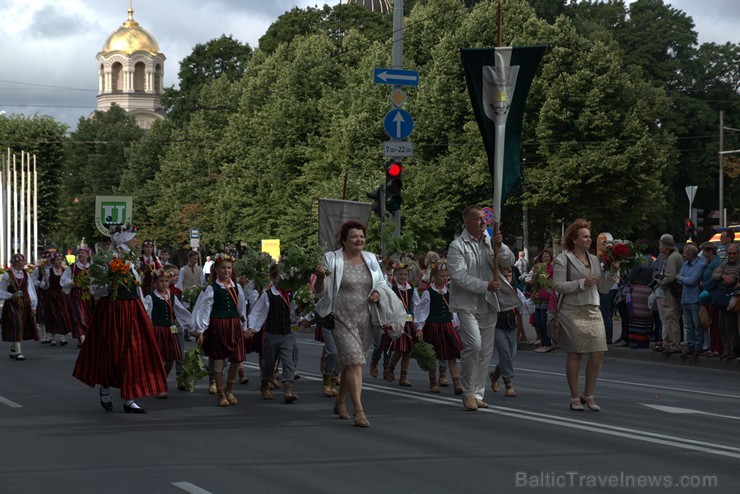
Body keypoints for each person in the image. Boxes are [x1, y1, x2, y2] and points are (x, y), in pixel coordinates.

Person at [73, 226, 167, 413]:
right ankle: (106, 389)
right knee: (112, 352)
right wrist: (109, 287)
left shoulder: (131, 260)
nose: (136, 242)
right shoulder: (105, 260)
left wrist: (145, 309)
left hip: (132, 309)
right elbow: (95, 289)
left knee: (134, 352)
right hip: (113, 309)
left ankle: (129, 398)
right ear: (124, 240)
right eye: (133, 238)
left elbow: (137, 286)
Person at [314, 220, 386, 428]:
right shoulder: (332, 259)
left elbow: (381, 282)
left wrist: (377, 293)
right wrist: (319, 278)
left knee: (350, 363)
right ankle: (359, 410)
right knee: (355, 362)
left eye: (362, 236)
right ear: (344, 240)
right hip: (340, 316)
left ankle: (339, 402)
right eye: (354, 236)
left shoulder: (371, 259)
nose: (359, 239)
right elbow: (320, 290)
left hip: (365, 317)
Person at [447, 205, 516, 411]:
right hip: (466, 304)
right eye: (478, 219)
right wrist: (485, 285)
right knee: (474, 346)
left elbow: (509, 261)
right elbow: (459, 277)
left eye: (483, 219)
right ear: (467, 222)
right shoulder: (457, 245)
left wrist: (500, 246)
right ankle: (467, 392)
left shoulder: (489, 240)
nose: (483, 222)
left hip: (488, 303)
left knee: (486, 351)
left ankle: (478, 393)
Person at [552, 219, 619, 412]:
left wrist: (615, 270)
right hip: (572, 309)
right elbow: (557, 286)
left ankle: (588, 394)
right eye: (585, 236)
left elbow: (603, 287)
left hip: (592, 308)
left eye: (590, 236)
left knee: (598, 352)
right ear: (574, 239)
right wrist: (581, 282)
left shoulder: (595, 260)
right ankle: (574, 396)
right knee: (576, 353)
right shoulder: (563, 259)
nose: (589, 239)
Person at [246, 264, 309, 404]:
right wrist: (252, 328)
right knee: (269, 363)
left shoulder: (289, 294)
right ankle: (264, 384)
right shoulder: (267, 295)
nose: (283, 281)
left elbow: (292, 315)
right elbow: (257, 312)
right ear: (272, 278)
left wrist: (299, 313)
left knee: (288, 361)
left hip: (286, 333)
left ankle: (288, 390)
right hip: (271, 334)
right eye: (280, 278)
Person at [192, 253, 247, 407]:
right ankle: (221, 393)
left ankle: (229, 389)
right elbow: (204, 310)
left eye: (229, 268)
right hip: (218, 326)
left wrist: (244, 327)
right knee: (219, 361)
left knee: (237, 359)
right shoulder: (211, 288)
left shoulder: (237, 287)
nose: (227, 270)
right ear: (216, 269)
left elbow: (242, 309)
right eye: (223, 268)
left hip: (234, 325)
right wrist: (201, 330)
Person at [415, 258, 463, 394]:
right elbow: (422, 311)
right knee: (432, 355)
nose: (445, 278)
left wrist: (457, 324)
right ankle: (432, 383)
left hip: (448, 325)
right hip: (434, 326)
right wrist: (419, 328)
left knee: (451, 354)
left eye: (446, 276)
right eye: (441, 276)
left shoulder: (449, 292)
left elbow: (453, 310)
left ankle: (457, 383)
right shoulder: (428, 293)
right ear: (434, 277)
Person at [144, 268, 193, 398]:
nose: (164, 284)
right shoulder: (150, 298)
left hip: (170, 330)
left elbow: (181, 312)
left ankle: (162, 380)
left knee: (171, 357)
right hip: (157, 330)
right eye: (161, 281)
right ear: (155, 283)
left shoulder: (172, 297)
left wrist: (192, 328)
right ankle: (159, 385)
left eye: (166, 281)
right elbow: (146, 315)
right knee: (158, 358)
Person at [490, 265, 532, 397]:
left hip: (511, 328)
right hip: (498, 327)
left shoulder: (515, 291)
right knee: (504, 353)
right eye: (504, 276)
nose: (507, 278)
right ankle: (508, 384)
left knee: (510, 354)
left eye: (509, 276)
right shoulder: (495, 291)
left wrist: (533, 298)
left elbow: (523, 306)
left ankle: (495, 374)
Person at [382, 258, 421, 386]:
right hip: (396, 321)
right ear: (394, 274)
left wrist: (418, 323)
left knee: (407, 350)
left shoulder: (411, 289)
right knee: (399, 348)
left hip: (408, 322)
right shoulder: (391, 287)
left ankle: (403, 376)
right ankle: (391, 368)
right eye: (400, 274)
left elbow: (416, 305)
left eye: (405, 274)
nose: (403, 276)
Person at [0, 253, 38, 360]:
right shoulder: (7, 275)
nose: (24, 263)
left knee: (21, 325)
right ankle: (18, 351)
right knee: (17, 324)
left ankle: (13, 348)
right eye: (22, 261)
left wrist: (33, 306)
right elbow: (1, 291)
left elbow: (31, 290)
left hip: (25, 303)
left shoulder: (26, 274)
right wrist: (11, 295)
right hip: (12, 303)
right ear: (16, 262)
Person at [655, 234, 684, 355]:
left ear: (666, 246)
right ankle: (668, 343)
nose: (659, 247)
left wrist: (660, 282)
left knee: (671, 317)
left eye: (661, 244)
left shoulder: (672, 258)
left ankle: (673, 344)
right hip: (672, 290)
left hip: (670, 291)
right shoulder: (673, 256)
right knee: (669, 317)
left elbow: (670, 276)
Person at [711, 243, 740, 359]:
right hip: (722, 297)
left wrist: (721, 275)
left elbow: (730, 281)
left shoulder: (738, 265)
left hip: (733, 298)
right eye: (729, 253)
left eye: (734, 253)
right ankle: (726, 350)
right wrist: (724, 276)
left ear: (738, 254)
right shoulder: (725, 262)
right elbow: (714, 275)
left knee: (731, 326)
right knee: (721, 325)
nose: (731, 255)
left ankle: (733, 351)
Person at [39, 252, 74, 346]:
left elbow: (68, 282)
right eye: (58, 260)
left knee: (62, 315)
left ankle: (62, 338)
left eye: (60, 260)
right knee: (52, 315)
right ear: (53, 261)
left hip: (62, 296)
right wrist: (46, 283)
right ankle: (53, 338)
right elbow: (43, 286)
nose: (59, 262)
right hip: (51, 296)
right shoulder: (48, 271)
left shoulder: (64, 270)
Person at [61, 247, 93, 347]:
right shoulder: (73, 267)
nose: (80, 254)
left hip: (89, 296)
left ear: (88, 255)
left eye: (83, 253)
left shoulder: (92, 268)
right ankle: (83, 340)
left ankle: (83, 337)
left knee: (88, 317)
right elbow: (63, 280)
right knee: (79, 317)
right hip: (76, 295)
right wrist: (71, 283)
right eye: (79, 253)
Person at [677, 244, 705, 359]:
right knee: (688, 325)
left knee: (697, 324)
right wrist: (683, 279)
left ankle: (698, 346)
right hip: (685, 298)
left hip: (694, 298)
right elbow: (682, 279)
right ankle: (691, 345)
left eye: (686, 253)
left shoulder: (699, 265)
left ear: (691, 254)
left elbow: (692, 281)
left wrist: (681, 278)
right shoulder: (685, 264)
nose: (684, 255)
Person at [699, 242, 722, 357]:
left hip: (713, 296)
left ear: (710, 252)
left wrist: (704, 285)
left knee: (715, 323)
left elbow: (714, 280)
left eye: (704, 251)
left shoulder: (717, 262)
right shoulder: (708, 262)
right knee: (710, 323)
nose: (703, 254)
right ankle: (711, 347)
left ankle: (717, 348)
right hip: (708, 296)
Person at [529, 249, 554, 353]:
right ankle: (543, 343)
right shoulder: (537, 268)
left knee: (544, 321)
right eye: (544, 256)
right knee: (538, 321)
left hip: (546, 296)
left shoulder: (550, 268)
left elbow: (547, 280)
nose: (546, 258)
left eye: (548, 256)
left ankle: (547, 344)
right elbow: (533, 282)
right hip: (538, 296)